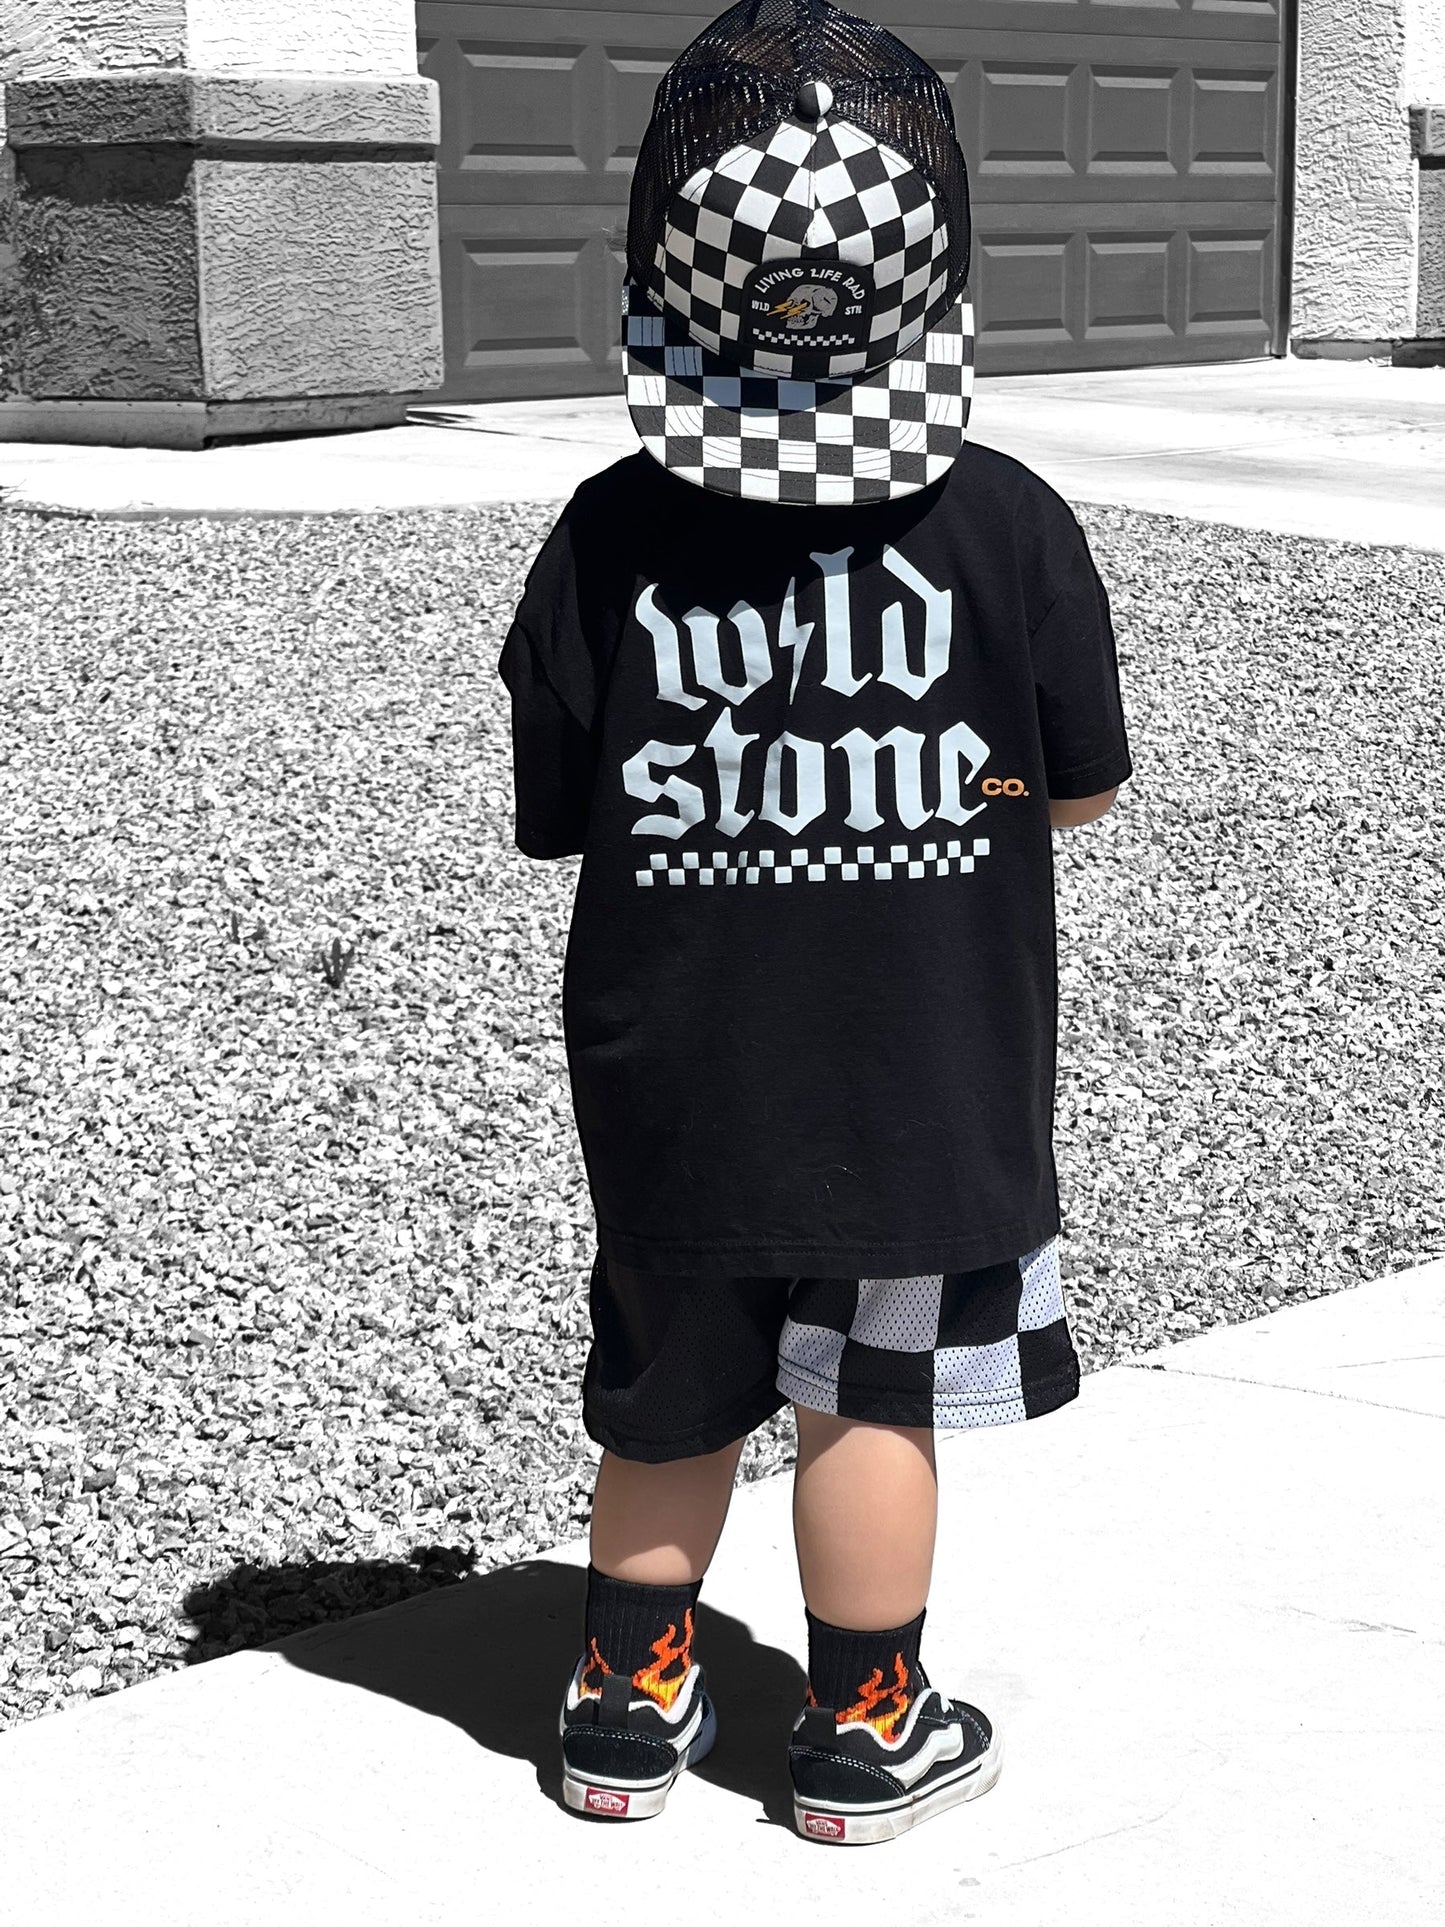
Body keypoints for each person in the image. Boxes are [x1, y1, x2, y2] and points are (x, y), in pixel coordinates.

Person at [497, 0, 1132, 1847]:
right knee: (870, 1405)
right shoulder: (1008, 524)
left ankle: (627, 1708)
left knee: (668, 1401)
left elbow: (565, 812)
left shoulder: (607, 534)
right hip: (921, 1081)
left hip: (677, 1083)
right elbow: (1073, 787)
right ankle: (862, 1728)